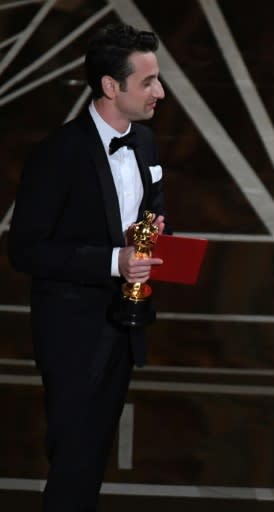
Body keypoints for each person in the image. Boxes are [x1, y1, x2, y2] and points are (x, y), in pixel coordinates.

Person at [8, 22, 167, 511]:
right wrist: (114, 261)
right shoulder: (58, 154)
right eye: (147, 82)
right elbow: (26, 249)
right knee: (73, 456)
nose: (160, 92)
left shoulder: (143, 143)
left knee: (93, 454)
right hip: (73, 333)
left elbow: (150, 210)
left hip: (124, 323)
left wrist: (153, 236)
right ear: (110, 87)